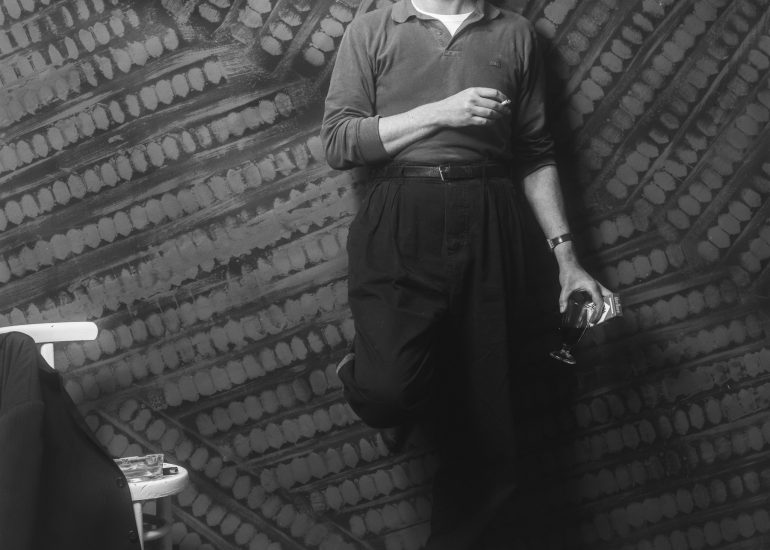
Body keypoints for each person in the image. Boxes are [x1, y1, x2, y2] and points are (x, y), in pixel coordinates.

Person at [321, 0, 609, 547]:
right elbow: (339, 142)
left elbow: (535, 154)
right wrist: (441, 112)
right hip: (399, 211)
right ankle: (375, 374)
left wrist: (567, 260)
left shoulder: (516, 34)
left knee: (489, 428)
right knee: (388, 391)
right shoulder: (372, 30)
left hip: (490, 212)